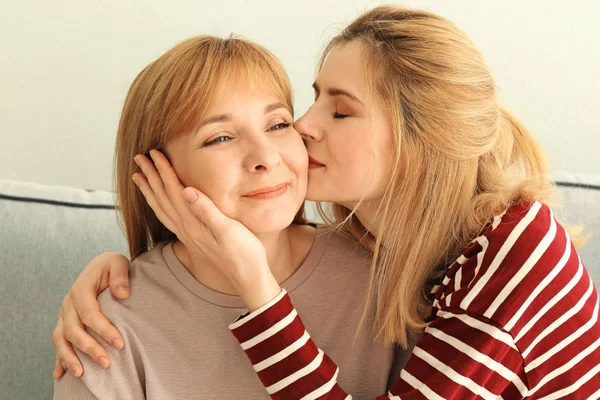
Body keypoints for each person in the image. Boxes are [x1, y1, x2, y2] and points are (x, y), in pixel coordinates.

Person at [54, 6, 600, 399]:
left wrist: (257, 285)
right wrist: (117, 274)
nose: (300, 129)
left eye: (340, 111)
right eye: (311, 99)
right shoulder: (400, 253)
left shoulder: (510, 253)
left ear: (420, 144)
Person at [53, 35, 401, 399]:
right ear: (159, 171)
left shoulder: (383, 279)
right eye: (220, 138)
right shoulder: (105, 323)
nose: (266, 156)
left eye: (278, 124)